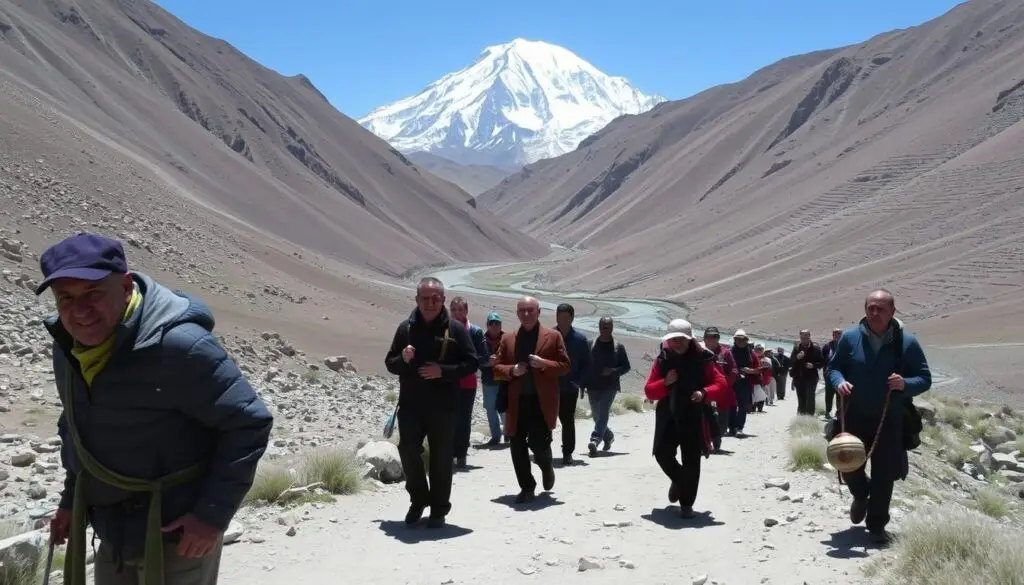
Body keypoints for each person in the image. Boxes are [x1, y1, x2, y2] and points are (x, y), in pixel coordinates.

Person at [38, 233, 274, 585]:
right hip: (113, 530)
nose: (80, 311)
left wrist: (211, 516)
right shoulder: (68, 349)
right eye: (66, 299)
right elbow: (78, 427)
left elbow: (248, 423)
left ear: (126, 286)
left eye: (93, 294)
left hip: (179, 534)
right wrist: (72, 500)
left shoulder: (179, 346)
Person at [829, 289, 932, 544]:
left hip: (889, 420)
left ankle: (876, 526)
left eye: (881, 309)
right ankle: (861, 493)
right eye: (870, 308)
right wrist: (839, 381)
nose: (875, 313)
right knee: (849, 465)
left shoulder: (907, 343)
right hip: (853, 416)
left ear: (892, 312)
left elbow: (924, 378)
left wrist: (904, 383)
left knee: (885, 476)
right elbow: (833, 368)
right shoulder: (850, 338)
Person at [384, 277, 479, 528]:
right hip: (411, 405)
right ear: (416, 300)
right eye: (425, 298)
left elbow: (472, 363)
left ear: (443, 300)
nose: (430, 303)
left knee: (441, 457)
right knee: (408, 450)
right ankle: (418, 499)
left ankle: (438, 509)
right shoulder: (406, 329)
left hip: (443, 406)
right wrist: (402, 359)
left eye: (435, 299)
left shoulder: (456, 330)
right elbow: (390, 363)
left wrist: (443, 371)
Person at [643, 319, 728, 518]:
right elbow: (649, 390)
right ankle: (681, 481)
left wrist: (704, 393)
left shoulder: (703, 359)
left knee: (692, 460)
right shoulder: (662, 359)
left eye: (681, 339)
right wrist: (666, 382)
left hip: (694, 416)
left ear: (689, 339)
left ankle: (687, 504)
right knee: (663, 454)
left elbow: (721, 383)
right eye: (674, 340)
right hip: (668, 415)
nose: (677, 343)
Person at [492, 297, 571, 503]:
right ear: (517, 313)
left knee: (539, 444)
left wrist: (544, 363)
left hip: (541, 402)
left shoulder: (553, 336)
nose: (526, 314)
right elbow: (496, 367)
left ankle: (546, 466)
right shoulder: (508, 338)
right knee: (516, 445)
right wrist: (512, 370)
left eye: (530, 310)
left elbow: (565, 366)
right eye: (522, 310)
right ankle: (527, 487)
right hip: (516, 402)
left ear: (538, 311)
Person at [449, 297, 488, 469]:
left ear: (466, 311)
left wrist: (466, 363)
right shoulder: (444, 329)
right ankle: (447, 454)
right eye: (454, 310)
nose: (457, 313)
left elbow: (484, 357)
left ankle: (461, 454)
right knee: (447, 419)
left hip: (467, 382)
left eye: (460, 310)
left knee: (463, 420)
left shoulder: (475, 331)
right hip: (447, 381)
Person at [584, 317, 631, 457]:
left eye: (608, 327)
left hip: (610, 386)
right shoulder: (590, 344)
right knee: (596, 416)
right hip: (592, 386)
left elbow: (626, 367)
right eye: (603, 327)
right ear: (598, 327)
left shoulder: (618, 347)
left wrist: (613, 371)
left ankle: (595, 440)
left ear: (612, 328)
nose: (606, 330)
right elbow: (584, 365)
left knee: (603, 412)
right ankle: (608, 435)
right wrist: (581, 382)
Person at [554, 304, 591, 465]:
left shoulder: (580, 340)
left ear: (572, 319)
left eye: (566, 318)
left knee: (567, 420)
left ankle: (567, 452)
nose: (562, 321)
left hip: (570, 388)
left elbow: (588, 364)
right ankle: (542, 449)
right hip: (551, 387)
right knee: (545, 419)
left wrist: (579, 382)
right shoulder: (549, 335)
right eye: (559, 317)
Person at [701, 327, 736, 447]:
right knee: (703, 417)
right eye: (709, 336)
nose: (712, 339)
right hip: (704, 391)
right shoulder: (699, 351)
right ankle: (706, 440)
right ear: (704, 338)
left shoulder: (725, 353)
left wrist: (726, 383)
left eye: (715, 336)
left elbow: (734, 371)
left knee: (722, 421)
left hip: (722, 393)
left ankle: (717, 437)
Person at [479, 312, 507, 446]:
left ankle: (508, 433)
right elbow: (476, 360)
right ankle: (495, 436)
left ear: (501, 325)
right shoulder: (481, 340)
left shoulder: (507, 339)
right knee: (490, 408)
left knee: (505, 408)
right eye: (491, 323)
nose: (494, 326)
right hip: (488, 380)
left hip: (504, 380)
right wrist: (487, 363)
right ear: (487, 325)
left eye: (497, 323)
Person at [729, 330, 759, 437]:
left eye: (743, 339)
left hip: (746, 382)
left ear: (746, 340)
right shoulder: (729, 352)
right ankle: (731, 427)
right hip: (732, 382)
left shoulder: (751, 353)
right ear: (735, 340)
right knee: (731, 405)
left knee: (743, 405)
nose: (741, 341)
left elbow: (758, 369)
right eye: (738, 339)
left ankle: (739, 427)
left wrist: (750, 371)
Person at [790, 329, 825, 416]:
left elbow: (822, 362)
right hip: (799, 377)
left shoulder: (816, 348)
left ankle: (809, 419)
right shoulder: (796, 348)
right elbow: (790, 361)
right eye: (802, 337)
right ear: (800, 337)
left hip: (811, 378)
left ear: (809, 336)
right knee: (801, 399)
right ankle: (801, 418)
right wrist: (797, 357)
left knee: (810, 399)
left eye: (806, 337)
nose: (804, 339)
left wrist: (813, 365)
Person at [821, 327, 842, 419]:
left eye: (838, 334)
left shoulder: (845, 346)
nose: (836, 336)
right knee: (829, 393)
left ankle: (839, 412)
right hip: (828, 374)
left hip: (841, 375)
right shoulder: (827, 346)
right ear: (832, 335)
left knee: (840, 394)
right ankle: (827, 411)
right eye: (835, 334)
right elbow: (822, 359)